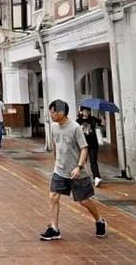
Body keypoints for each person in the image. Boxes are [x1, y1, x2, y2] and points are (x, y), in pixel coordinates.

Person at [40, 99, 106, 241]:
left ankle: (99, 220)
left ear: (61, 113)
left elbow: (84, 148)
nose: (50, 115)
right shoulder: (54, 127)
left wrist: (79, 167)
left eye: (53, 112)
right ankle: (54, 229)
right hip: (60, 170)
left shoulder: (75, 127)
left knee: (84, 201)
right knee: (53, 197)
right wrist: (56, 161)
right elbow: (57, 146)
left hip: (77, 172)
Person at [76, 106, 104, 187]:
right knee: (83, 162)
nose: (87, 112)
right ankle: (83, 177)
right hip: (83, 145)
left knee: (93, 161)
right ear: (81, 111)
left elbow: (103, 124)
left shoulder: (93, 119)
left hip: (93, 144)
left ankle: (96, 177)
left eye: (88, 110)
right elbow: (75, 132)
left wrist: (102, 117)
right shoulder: (78, 121)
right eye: (85, 111)